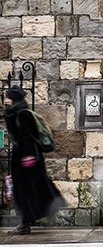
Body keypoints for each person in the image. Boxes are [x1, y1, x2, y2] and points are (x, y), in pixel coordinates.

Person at [3, 86, 64, 234]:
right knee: (27, 189)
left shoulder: (23, 114)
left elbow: (27, 137)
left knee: (28, 190)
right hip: (22, 157)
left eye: (7, 96)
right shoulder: (13, 113)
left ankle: (28, 221)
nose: (5, 99)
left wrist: (28, 157)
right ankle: (28, 221)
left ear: (14, 98)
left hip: (29, 158)